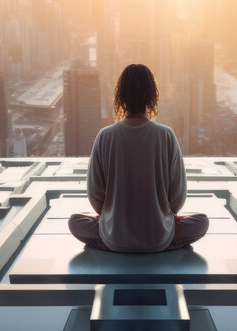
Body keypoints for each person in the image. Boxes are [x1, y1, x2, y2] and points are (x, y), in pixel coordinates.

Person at [68, 63, 209, 252]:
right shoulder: (166, 135)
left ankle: (111, 242)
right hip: (159, 235)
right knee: (201, 222)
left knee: (75, 222)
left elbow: (95, 196)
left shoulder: (105, 135)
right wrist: (162, 217)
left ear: (120, 96)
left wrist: (112, 220)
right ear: (153, 96)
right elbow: (177, 198)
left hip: (114, 236)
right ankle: (164, 243)